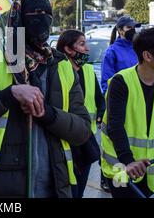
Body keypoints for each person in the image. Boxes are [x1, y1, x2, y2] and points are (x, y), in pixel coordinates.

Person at [0, 0, 91, 198]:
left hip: (55, 190)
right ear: (18, 18)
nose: (42, 19)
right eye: (34, 13)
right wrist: (8, 95)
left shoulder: (61, 65)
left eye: (47, 13)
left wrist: (47, 113)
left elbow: (82, 130)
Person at [101, 28, 154, 198]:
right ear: (147, 56)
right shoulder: (121, 81)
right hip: (120, 167)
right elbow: (115, 126)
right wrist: (128, 161)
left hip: (152, 170)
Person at [56, 30, 103, 198]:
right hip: (67, 141)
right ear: (68, 49)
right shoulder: (58, 71)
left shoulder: (88, 70)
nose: (87, 49)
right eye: (82, 44)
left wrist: (101, 113)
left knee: (79, 191)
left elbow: (99, 98)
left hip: (86, 141)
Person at [101, 16, 141, 94]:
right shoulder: (111, 51)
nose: (133, 30)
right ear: (120, 30)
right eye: (129, 27)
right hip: (121, 96)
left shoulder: (139, 48)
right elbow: (107, 80)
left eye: (134, 27)